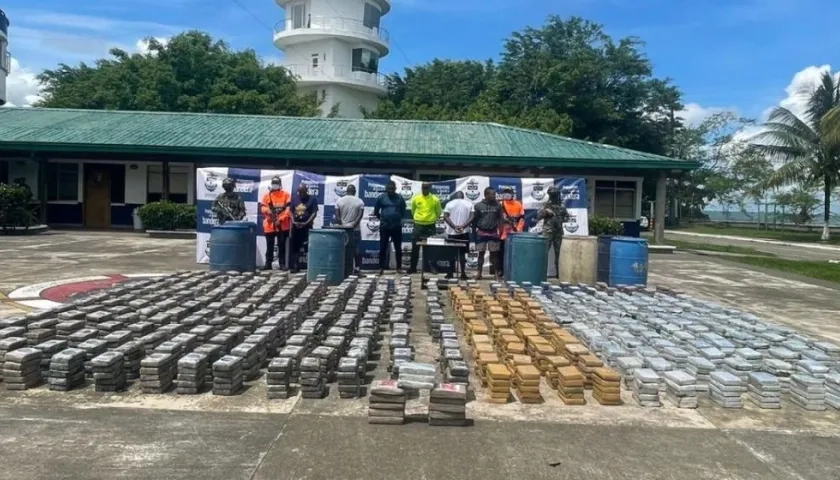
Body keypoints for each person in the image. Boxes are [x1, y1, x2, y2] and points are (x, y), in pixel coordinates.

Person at [373, 181, 407, 274]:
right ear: (386, 189)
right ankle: (381, 268)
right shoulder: (381, 198)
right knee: (383, 247)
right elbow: (376, 211)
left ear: (395, 189)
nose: (390, 190)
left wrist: (397, 217)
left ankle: (399, 268)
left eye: (392, 189)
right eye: (389, 189)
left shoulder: (399, 198)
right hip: (385, 226)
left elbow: (403, 210)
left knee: (398, 248)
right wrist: (383, 219)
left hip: (396, 226)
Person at [408, 182, 442, 274]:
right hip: (418, 225)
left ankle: (431, 268)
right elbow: (413, 210)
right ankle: (413, 268)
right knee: (415, 247)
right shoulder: (416, 198)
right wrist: (419, 219)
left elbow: (438, 212)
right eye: (423, 187)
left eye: (426, 187)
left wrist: (431, 219)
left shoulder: (435, 199)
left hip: (430, 226)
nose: (425, 189)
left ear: (430, 188)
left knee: (431, 248)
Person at [537, 185, 570, 279]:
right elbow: (538, 216)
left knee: (559, 254)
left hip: (558, 232)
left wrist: (560, 219)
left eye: (555, 194)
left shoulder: (561, 206)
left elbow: (567, 217)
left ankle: (559, 275)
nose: (554, 196)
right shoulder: (546, 205)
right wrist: (546, 212)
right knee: (543, 253)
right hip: (548, 232)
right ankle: (540, 274)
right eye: (553, 194)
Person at [259, 176, 291, 270]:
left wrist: (280, 219)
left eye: (276, 183)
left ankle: (282, 264)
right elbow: (262, 208)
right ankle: (268, 264)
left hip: (282, 225)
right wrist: (268, 211)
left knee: (282, 245)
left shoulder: (286, 194)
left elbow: (288, 210)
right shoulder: (266, 196)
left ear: (280, 184)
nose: (275, 185)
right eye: (273, 183)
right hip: (269, 225)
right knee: (269, 245)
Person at [472, 187, 504, 280]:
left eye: (494, 194)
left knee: (494, 255)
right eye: (492, 194)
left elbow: (500, 219)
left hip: (493, 232)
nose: (494, 196)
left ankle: (496, 274)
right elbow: (474, 221)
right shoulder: (478, 205)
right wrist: (473, 235)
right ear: (486, 195)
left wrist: (501, 231)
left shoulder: (498, 205)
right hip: (481, 232)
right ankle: (479, 273)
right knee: (480, 254)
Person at [334, 184, 365, 274]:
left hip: (343, 229)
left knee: (343, 248)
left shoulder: (340, 201)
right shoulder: (359, 201)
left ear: (346, 191)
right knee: (356, 248)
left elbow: (337, 216)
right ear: (354, 192)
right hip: (355, 229)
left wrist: (342, 224)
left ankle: (343, 267)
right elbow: (360, 215)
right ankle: (358, 267)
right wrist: (354, 224)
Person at [443, 191, 473, 280]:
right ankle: (463, 273)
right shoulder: (469, 204)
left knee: (451, 254)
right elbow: (472, 217)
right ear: (463, 196)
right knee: (462, 254)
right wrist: (462, 227)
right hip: (464, 232)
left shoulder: (449, 203)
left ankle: (450, 273)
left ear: (455, 197)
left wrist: (454, 227)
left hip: (452, 232)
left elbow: (445, 216)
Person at [289, 184, 319, 274]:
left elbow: (314, 212)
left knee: (309, 247)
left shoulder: (312, 199)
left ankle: (311, 266)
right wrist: (293, 221)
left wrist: (307, 222)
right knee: (295, 247)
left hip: (307, 226)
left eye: (303, 192)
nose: (301, 194)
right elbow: (290, 211)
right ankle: (295, 266)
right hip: (296, 226)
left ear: (306, 191)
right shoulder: (295, 198)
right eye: (300, 192)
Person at [498, 186, 525, 278]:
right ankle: (501, 270)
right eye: (505, 192)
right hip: (503, 233)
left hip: (516, 233)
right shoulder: (500, 205)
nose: (506, 194)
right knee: (501, 253)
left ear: (512, 194)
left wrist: (518, 228)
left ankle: (515, 270)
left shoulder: (518, 204)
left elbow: (522, 218)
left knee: (516, 253)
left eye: (508, 192)